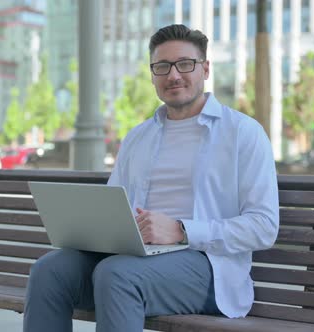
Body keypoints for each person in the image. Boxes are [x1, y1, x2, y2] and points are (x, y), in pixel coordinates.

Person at [23, 24, 279, 332]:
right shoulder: (138, 137)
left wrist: (181, 230)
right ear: (153, 74)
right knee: (49, 270)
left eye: (185, 64)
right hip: (134, 258)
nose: (173, 75)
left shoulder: (242, 133)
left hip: (208, 267)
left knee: (117, 274)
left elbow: (264, 227)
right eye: (162, 66)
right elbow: (113, 208)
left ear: (205, 69)